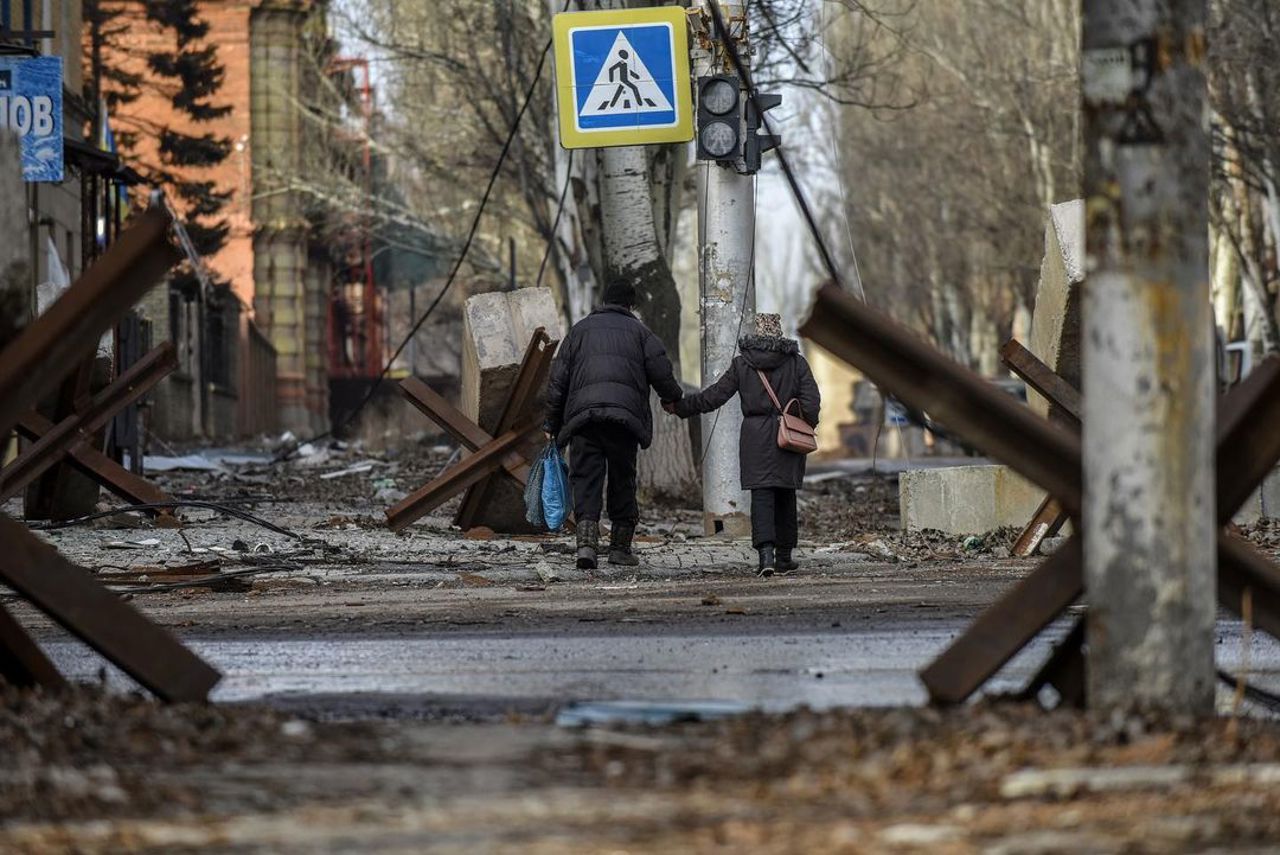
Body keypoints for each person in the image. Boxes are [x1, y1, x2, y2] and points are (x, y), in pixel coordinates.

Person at [544, 279, 684, 570]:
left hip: (584, 419)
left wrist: (552, 423)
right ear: (630, 305)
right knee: (623, 479)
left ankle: (586, 547)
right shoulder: (642, 333)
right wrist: (673, 398)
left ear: (604, 301)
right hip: (624, 420)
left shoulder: (578, 332)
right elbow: (661, 370)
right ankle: (620, 549)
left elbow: (558, 382)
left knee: (585, 480)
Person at [670, 313, 820, 576]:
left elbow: (714, 397)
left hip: (755, 438)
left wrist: (682, 407)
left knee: (762, 495)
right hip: (788, 436)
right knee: (786, 495)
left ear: (756, 334)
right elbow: (811, 402)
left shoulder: (743, 364)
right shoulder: (797, 363)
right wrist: (804, 423)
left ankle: (766, 558)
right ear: (779, 333)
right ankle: (785, 557)